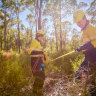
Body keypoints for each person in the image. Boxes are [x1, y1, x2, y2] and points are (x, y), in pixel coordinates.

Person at [73, 10, 96, 95]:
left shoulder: (91, 28)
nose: (78, 24)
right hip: (88, 58)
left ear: (85, 18)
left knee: (90, 81)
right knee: (78, 74)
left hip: (94, 58)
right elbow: (87, 44)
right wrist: (81, 48)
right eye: (77, 23)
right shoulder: (84, 31)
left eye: (79, 21)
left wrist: (83, 47)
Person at [27, 30, 48, 96]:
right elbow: (30, 52)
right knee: (38, 77)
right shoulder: (34, 42)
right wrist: (41, 52)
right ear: (38, 35)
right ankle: (35, 92)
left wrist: (45, 55)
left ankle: (39, 91)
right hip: (35, 62)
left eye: (43, 36)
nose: (42, 37)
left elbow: (40, 52)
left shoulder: (39, 43)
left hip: (40, 62)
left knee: (42, 76)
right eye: (42, 36)